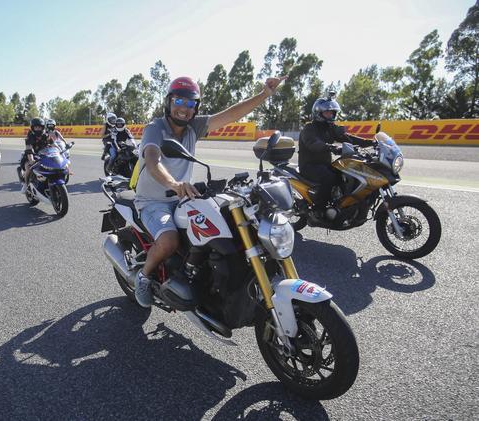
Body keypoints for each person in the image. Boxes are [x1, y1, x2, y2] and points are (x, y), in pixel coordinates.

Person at [132, 75, 286, 307]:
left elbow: (230, 114)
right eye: (179, 102)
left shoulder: (194, 126)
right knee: (169, 240)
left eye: (191, 103)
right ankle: (143, 277)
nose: (184, 108)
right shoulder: (155, 128)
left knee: (221, 226)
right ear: (169, 102)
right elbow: (153, 159)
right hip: (154, 201)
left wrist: (264, 94)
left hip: (185, 197)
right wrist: (174, 184)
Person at [298, 92, 375, 212]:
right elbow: (313, 143)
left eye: (332, 112)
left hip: (325, 164)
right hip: (309, 166)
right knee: (329, 177)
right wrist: (331, 147)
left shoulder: (330, 128)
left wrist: (371, 142)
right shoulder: (309, 128)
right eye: (327, 112)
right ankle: (319, 209)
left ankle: (341, 205)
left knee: (346, 173)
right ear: (318, 113)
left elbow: (349, 138)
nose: (330, 115)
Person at [20, 118, 51, 194]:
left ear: (42, 127)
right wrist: (31, 160)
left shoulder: (46, 135)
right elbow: (29, 149)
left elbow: (54, 144)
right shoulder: (30, 136)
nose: (37, 129)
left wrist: (60, 150)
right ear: (33, 128)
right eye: (36, 127)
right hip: (32, 155)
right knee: (28, 167)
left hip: (43, 155)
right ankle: (26, 184)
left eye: (39, 127)